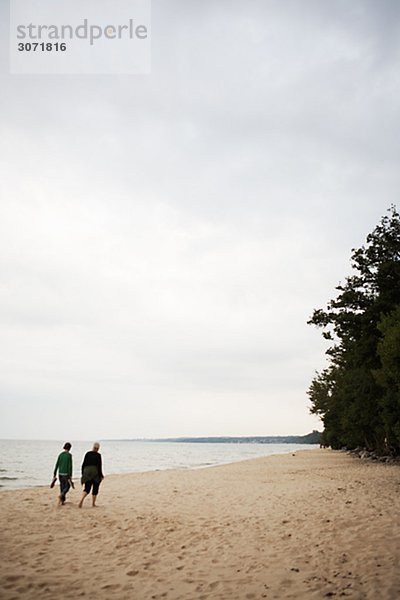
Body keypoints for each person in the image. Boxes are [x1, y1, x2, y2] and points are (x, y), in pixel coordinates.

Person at [78, 442, 104, 508]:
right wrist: (101, 475)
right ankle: (93, 504)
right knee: (95, 487)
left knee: (87, 488)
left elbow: (83, 464)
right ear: (98, 448)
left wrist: (83, 473)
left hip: (87, 472)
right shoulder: (98, 455)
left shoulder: (87, 453)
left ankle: (81, 499)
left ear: (93, 447)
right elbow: (99, 466)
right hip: (95, 472)